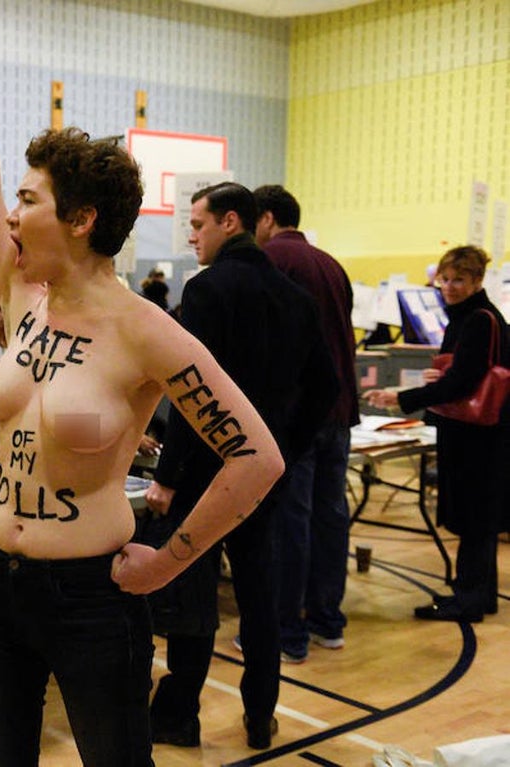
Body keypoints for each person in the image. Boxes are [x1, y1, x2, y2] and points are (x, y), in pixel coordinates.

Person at [0, 7, 284, 764]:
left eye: (30, 201)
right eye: (17, 200)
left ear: (83, 217)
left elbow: (256, 456)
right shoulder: (23, 292)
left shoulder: (146, 331)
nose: (11, 214)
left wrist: (168, 560)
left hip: (91, 597)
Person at [142, 182, 337, 750]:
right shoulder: (296, 297)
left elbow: (190, 395)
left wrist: (169, 476)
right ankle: (260, 715)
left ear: (231, 222)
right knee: (258, 596)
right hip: (263, 477)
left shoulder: (207, 291)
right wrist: (282, 452)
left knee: (195, 601)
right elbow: (324, 388)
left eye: (197, 224)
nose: (190, 235)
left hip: (206, 474)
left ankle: (180, 714)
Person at [364, 246, 509, 622]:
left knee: (475, 518)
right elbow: (466, 373)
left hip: (476, 437)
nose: (449, 287)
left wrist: (402, 398)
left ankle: (468, 599)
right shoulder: (473, 317)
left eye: (459, 279)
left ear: (477, 280)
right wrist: (439, 378)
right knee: (480, 518)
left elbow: (463, 383)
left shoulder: (478, 319)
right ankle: (480, 596)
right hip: (478, 434)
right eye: (445, 279)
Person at [254, 184, 359, 661]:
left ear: (267, 218)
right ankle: (326, 621)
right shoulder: (331, 263)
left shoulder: (272, 262)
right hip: (338, 410)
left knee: (290, 521)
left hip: (298, 413)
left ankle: (286, 632)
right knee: (330, 517)